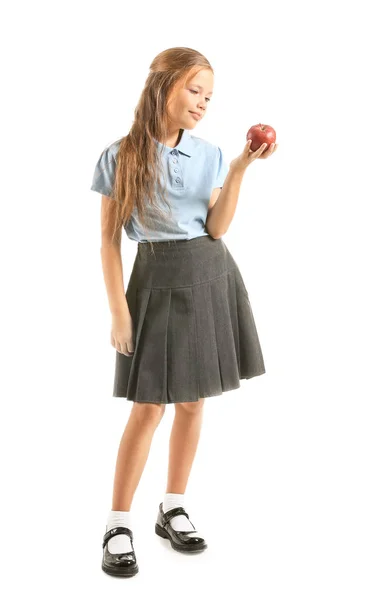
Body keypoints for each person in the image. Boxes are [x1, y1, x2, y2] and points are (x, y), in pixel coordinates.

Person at [90, 46, 278, 578]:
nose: (203, 103)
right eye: (194, 90)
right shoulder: (120, 156)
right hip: (153, 278)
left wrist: (241, 166)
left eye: (209, 95)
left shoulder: (212, 154)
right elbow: (108, 243)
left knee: (193, 403)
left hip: (210, 272)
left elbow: (217, 227)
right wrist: (118, 311)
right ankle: (117, 522)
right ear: (162, 87)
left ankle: (172, 506)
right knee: (148, 405)